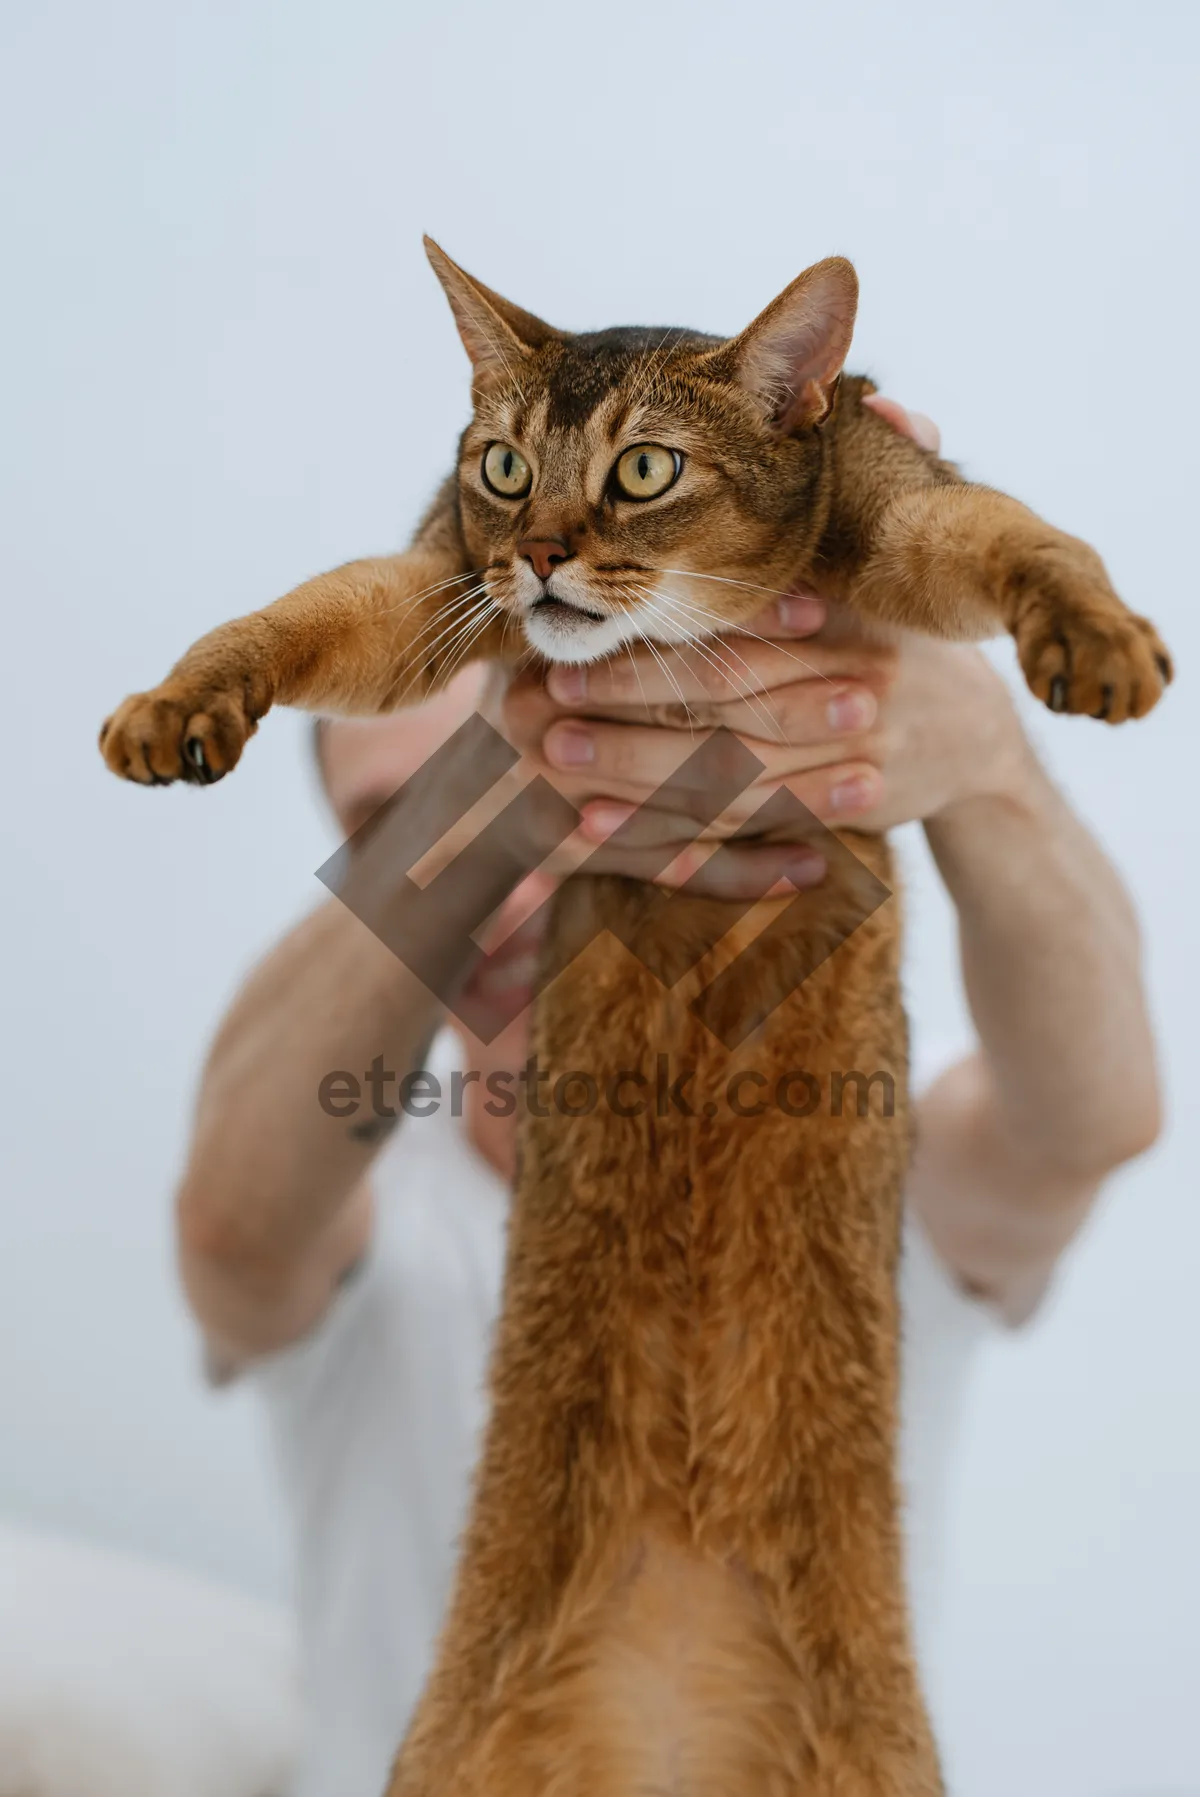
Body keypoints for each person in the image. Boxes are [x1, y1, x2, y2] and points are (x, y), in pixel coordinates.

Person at [176, 403, 1161, 1797]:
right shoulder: (371, 1219)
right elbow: (230, 1225)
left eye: (607, 749)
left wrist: (984, 760)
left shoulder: (862, 1168)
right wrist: (517, 757)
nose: (511, 867)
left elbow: (1093, 1118)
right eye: (407, 827)